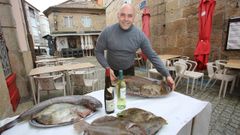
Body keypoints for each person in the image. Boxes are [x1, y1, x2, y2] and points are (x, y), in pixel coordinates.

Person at [95, 3, 175, 90]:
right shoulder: (107, 32)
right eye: (123, 15)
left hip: (129, 71)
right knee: (111, 96)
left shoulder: (140, 36)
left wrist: (167, 75)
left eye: (129, 16)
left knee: (129, 96)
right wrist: (107, 68)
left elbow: (152, 56)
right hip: (111, 71)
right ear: (118, 15)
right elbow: (98, 51)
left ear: (134, 17)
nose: (126, 19)